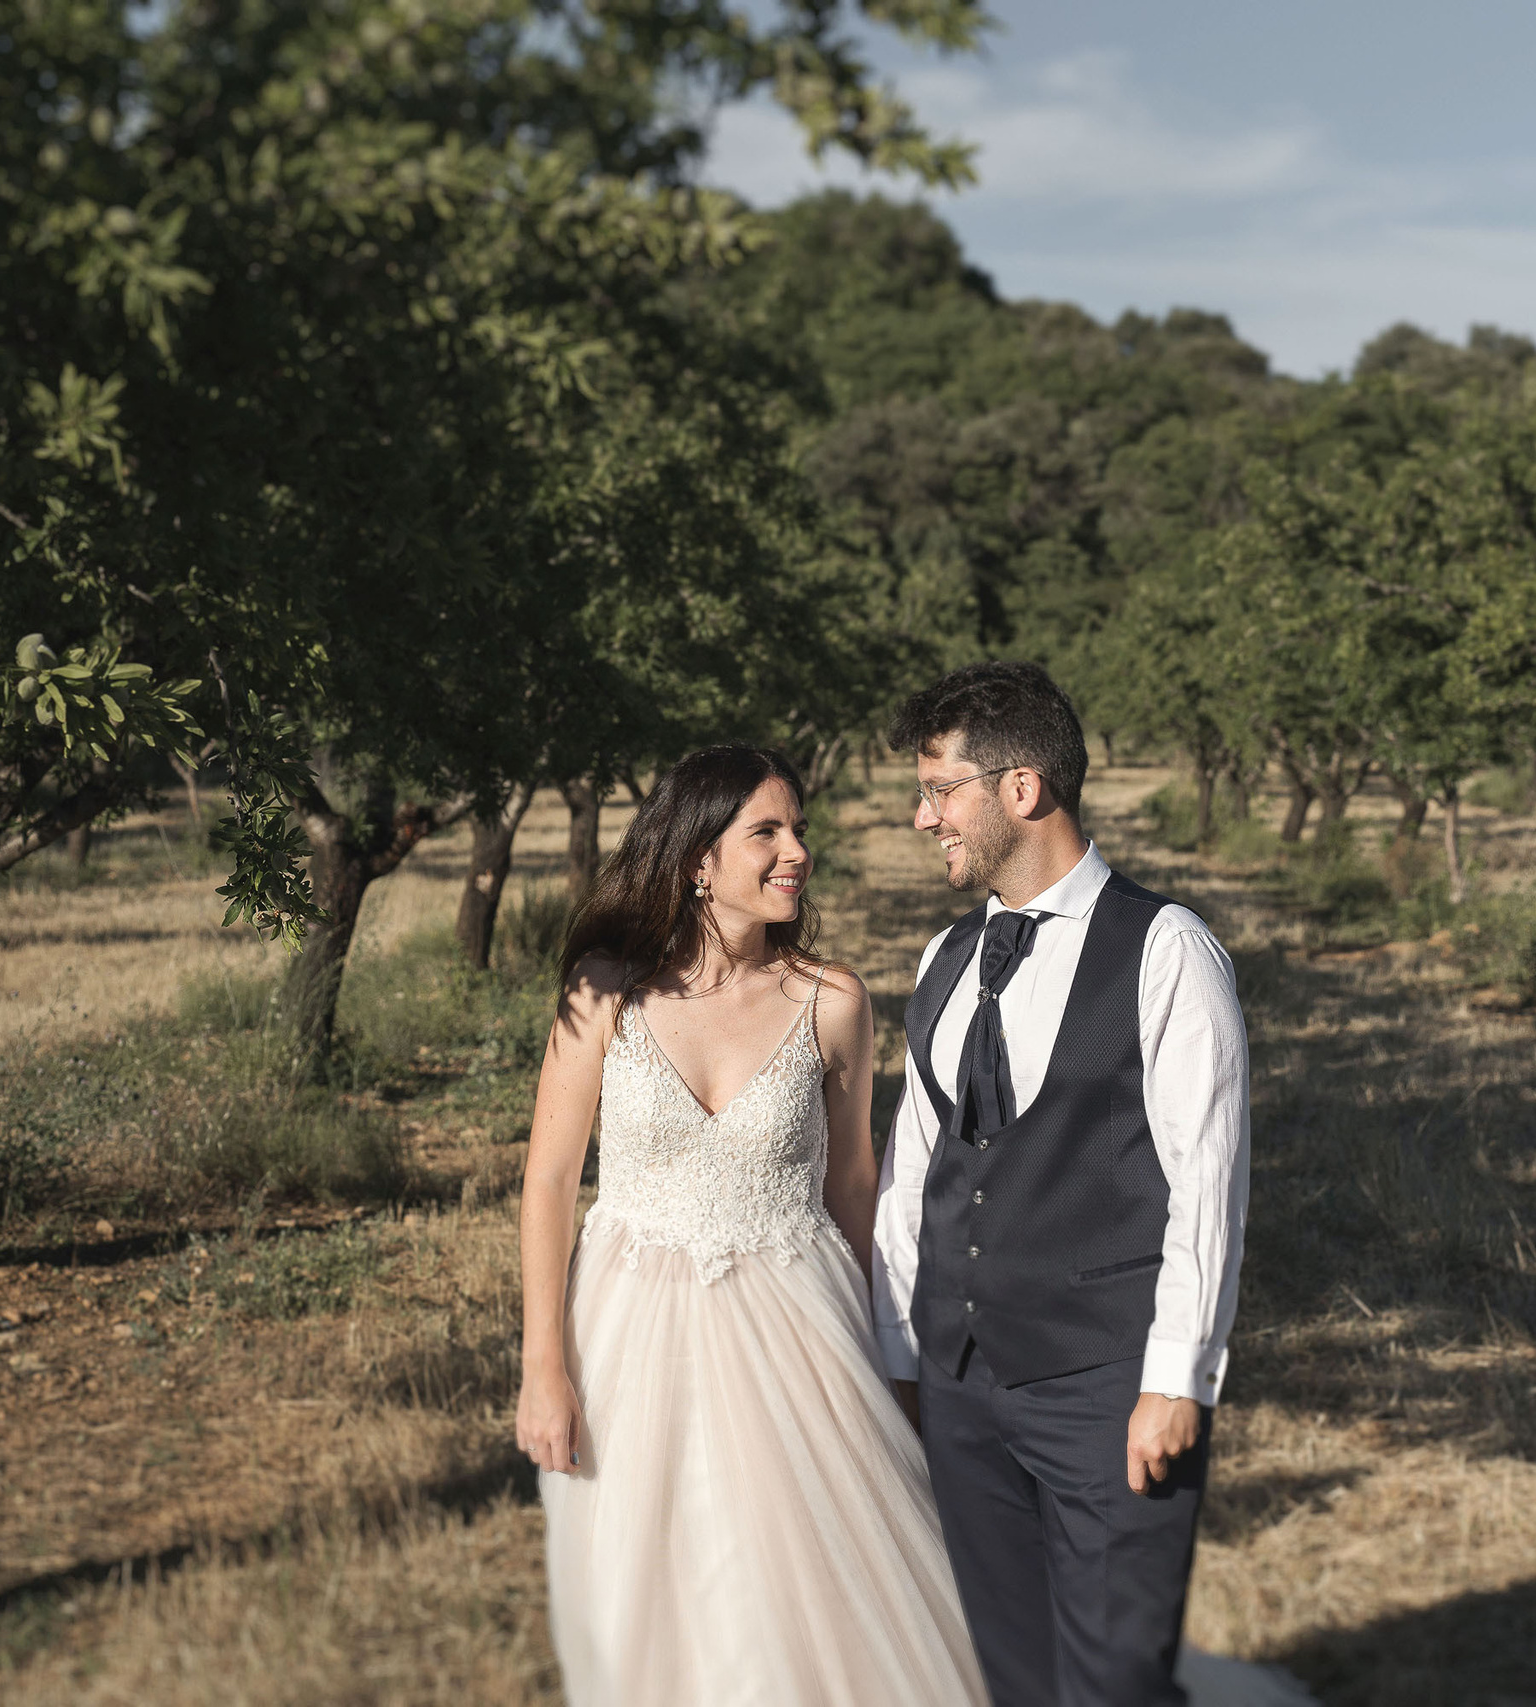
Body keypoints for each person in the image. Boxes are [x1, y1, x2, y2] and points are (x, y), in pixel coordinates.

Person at [515, 745, 988, 1706]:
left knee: (806, 1589)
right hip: (626, 1334)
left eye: (799, 829)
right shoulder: (604, 990)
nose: (797, 851)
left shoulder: (834, 1000)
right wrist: (542, 1367)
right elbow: (550, 1180)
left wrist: (892, 1355)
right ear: (698, 858)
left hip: (797, 1325)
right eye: (766, 831)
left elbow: (856, 1189)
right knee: (646, 1602)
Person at [873, 661, 1252, 1707]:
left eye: (941, 789)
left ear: (1020, 790)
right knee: (1010, 1675)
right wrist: (902, 1351)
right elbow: (918, 1168)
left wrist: (1176, 1380)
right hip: (957, 1382)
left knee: (1113, 1683)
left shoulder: (1165, 950)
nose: (922, 816)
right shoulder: (946, 955)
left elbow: (1207, 1178)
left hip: (1104, 1386)